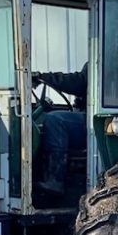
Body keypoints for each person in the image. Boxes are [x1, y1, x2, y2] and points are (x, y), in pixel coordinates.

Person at [33, 64, 89, 195]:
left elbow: (77, 82)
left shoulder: (104, 59)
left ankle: (55, 180)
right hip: (85, 112)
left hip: (94, 120)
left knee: (56, 120)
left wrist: (44, 77)